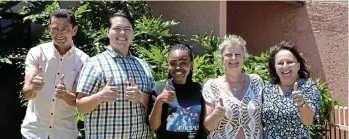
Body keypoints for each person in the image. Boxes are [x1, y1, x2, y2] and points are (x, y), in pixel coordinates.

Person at [75, 11, 154, 138]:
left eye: (127, 29)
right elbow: (80, 106)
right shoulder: (94, 64)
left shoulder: (143, 66)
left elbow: (154, 104)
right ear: (108, 32)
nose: (122, 33)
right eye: (117, 28)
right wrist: (100, 96)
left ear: (133, 33)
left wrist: (141, 96)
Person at [21, 9, 89, 139]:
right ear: (49, 29)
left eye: (65, 29)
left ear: (74, 30)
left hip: (65, 134)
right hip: (34, 133)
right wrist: (33, 88)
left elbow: (80, 102)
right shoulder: (36, 53)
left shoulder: (84, 60)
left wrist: (65, 95)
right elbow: (26, 93)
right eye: (55, 29)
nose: (59, 33)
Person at [203, 34, 264, 139]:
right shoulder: (212, 86)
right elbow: (208, 127)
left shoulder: (256, 82)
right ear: (222, 58)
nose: (233, 58)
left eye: (238, 54)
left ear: (244, 58)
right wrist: (216, 114)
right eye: (228, 54)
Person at [262, 41, 320, 138]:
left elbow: (308, 121)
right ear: (275, 67)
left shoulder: (308, 87)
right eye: (280, 63)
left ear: (298, 65)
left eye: (289, 62)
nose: (285, 66)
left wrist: (302, 104)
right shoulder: (268, 88)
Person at [148, 44, 206, 139]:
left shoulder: (201, 90)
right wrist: (159, 101)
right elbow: (153, 127)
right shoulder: (160, 89)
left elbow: (207, 126)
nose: (178, 67)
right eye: (173, 63)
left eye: (183, 63)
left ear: (191, 65)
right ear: (168, 65)